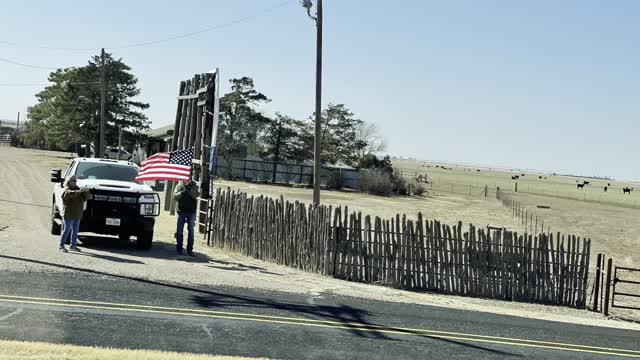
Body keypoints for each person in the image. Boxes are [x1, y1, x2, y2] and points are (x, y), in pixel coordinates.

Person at [59, 175, 92, 252]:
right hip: (69, 214)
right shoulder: (66, 190)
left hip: (77, 214)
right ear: (69, 181)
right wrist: (79, 191)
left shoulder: (78, 189)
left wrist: (86, 191)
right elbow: (68, 194)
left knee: (75, 231)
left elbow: (87, 197)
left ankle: (73, 246)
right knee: (66, 230)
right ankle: (61, 246)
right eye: (73, 180)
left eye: (75, 180)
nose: (75, 182)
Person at [173, 178, 199, 256]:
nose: (187, 178)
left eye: (189, 176)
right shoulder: (179, 184)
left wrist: (189, 189)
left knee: (191, 231)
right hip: (181, 211)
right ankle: (179, 249)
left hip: (191, 211)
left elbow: (195, 195)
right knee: (179, 230)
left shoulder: (194, 185)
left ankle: (190, 250)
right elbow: (175, 196)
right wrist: (182, 192)